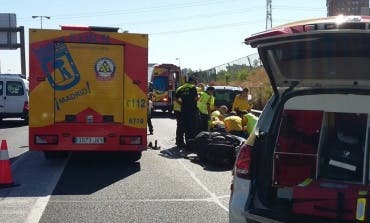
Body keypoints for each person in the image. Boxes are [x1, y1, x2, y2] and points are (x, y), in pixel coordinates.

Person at [175, 77, 200, 149]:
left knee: (182, 126)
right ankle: (190, 144)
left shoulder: (181, 88)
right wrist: (198, 97)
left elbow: (176, 98)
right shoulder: (192, 87)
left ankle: (179, 143)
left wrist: (181, 103)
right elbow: (196, 98)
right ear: (192, 81)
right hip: (192, 110)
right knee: (191, 127)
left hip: (183, 110)